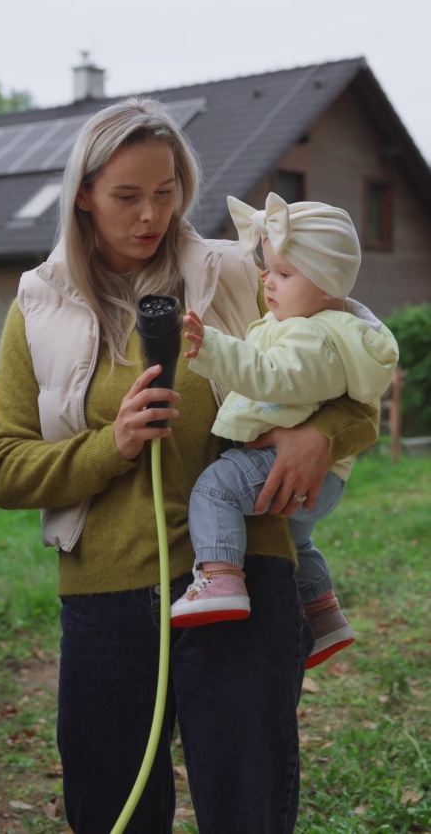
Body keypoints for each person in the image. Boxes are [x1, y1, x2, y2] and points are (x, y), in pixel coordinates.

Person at [0, 98, 380, 834]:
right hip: (105, 598)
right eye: (127, 196)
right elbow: (5, 467)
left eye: (165, 192)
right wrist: (114, 442)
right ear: (83, 194)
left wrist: (321, 434)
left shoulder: (236, 272)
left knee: (246, 807)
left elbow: (356, 368)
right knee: (112, 810)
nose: (150, 215)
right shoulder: (37, 306)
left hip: (245, 580)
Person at [169, 192, 398, 669]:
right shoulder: (316, 326)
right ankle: (323, 614)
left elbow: (270, 375)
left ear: (328, 283)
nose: (267, 282)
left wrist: (210, 346)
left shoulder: (312, 335)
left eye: (284, 274)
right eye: (267, 269)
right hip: (326, 475)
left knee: (213, 490)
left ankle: (221, 578)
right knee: (300, 540)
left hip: (284, 460)